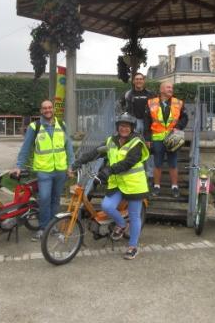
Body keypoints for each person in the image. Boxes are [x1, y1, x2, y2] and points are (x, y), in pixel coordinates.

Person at [73, 113, 149, 260]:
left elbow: (128, 162)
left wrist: (108, 170)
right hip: (118, 183)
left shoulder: (137, 143)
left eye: (127, 126)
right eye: (121, 126)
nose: (124, 128)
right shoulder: (111, 141)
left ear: (132, 128)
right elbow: (95, 153)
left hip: (134, 184)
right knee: (106, 206)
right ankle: (121, 224)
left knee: (134, 216)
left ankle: (132, 246)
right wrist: (78, 162)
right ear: (117, 127)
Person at [12, 100, 74, 241]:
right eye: (45, 108)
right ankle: (43, 228)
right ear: (41, 111)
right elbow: (26, 148)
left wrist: (71, 165)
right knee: (45, 198)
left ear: (53, 109)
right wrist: (19, 166)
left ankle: (53, 227)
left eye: (50, 107)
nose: (47, 110)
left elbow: (68, 147)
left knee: (55, 199)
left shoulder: (62, 125)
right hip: (44, 170)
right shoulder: (35, 127)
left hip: (60, 170)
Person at [144, 81, 188, 197]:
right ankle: (156, 186)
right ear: (161, 90)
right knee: (157, 163)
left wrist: (178, 127)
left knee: (173, 163)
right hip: (157, 138)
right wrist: (147, 139)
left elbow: (184, 118)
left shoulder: (178, 103)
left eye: (172, 87)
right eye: (168, 87)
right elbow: (147, 122)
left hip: (173, 137)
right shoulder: (151, 103)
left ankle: (174, 187)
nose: (171, 89)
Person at [120, 72, 155, 181]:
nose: (139, 81)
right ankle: (133, 171)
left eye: (141, 79)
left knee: (148, 148)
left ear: (144, 81)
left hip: (147, 123)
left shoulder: (151, 94)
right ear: (134, 81)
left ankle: (149, 175)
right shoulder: (128, 94)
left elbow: (155, 109)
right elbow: (121, 105)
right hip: (133, 123)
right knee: (133, 148)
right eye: (137, 79)